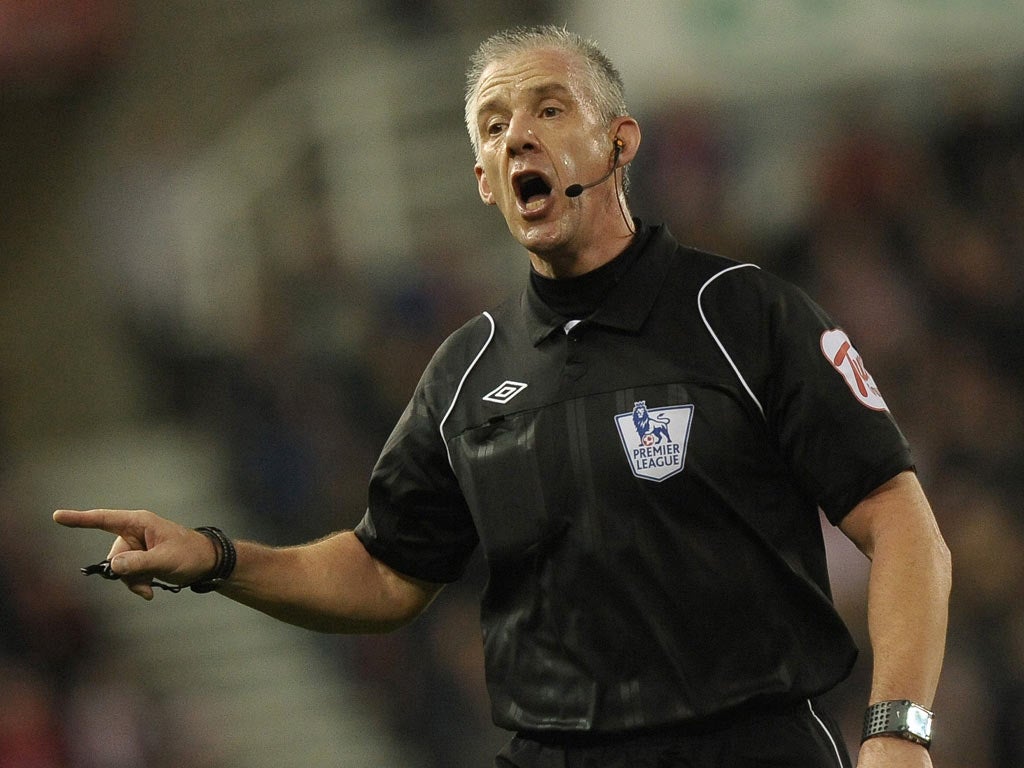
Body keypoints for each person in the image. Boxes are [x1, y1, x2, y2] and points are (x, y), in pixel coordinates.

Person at [54, 25, 951, 768]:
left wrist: (899, 732)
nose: (517, 135)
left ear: (619, 143)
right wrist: (216, 558)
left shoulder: (741, 313)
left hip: (749, 748)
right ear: (485, 181)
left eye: (549, 110)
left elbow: (902, 524)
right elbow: (385, 572)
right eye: (492, 125)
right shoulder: (465, 374)